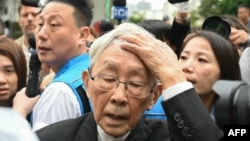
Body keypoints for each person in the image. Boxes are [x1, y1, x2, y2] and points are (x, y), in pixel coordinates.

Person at [36, 22, 223, 141]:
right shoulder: (47, 138)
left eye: (135, 84)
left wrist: (174, 76)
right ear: (87, 83)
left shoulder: (170, 138)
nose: (119, 97)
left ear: (154, 96)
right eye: (108, 79)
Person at [28, 0, 94, 130]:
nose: (41, 34)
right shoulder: (95, 69)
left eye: (54, 24)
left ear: (82, 35)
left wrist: (18, 114)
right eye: (40, 24)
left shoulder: (59, 92)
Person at [179, 30, 241, 122]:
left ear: (224, 72)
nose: (186, 67)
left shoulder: (240, 118)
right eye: (183, 57)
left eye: (201, 60)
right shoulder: (153, 109)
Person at [0, 36, 39, 118]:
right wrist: (19, 112)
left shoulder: (36, 108)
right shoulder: (21, 111)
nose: (1, 80)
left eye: (8, 71)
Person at [15, 3, 39, 73]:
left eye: (34, 14)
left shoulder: (55, 50)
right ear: (19, 21)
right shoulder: (11, 49)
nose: (30, 19)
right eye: (25, 15)